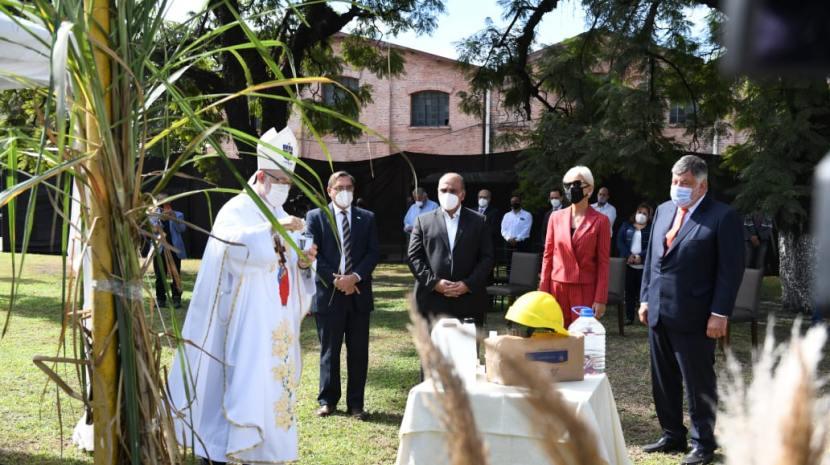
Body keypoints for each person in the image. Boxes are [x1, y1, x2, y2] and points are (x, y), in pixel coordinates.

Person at [167, 127, 318, 465]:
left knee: (271, 390)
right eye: (279, 180)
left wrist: (304, 264)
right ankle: (226, 450)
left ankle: (265, 451)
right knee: (242, 387)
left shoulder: (280, 214)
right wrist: (272, 231)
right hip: (242, 325)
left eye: (288, 182)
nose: (284, 188)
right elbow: (232, 251)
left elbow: (289, 267)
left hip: (276, 322)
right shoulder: (236, 210)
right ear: (261, 176)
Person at [639, 155, 744, 465]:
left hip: (696, 315)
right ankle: (672, 434)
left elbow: (730, 270)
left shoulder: (722, 217)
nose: (677, 188)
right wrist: (645, 298)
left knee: (698, 383)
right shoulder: (663, 210)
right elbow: (652, 260)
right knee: (663, 379)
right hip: (659, 311)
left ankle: (703, 444)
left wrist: (720, 313)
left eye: (684, 184)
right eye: (674, 182)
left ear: (703, 185)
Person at [306, 171, 379, 420]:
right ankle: (328, 400)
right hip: (329, 294)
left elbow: (373, 253)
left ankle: (356, 404)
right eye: (339, 187)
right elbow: (313, 254)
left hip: (358, 293)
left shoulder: (367, 218)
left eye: (349, 187)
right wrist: (337, 280)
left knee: (358, 352)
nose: (344, 191)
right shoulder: (316, 217)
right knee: (329, 350)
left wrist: (354, 278)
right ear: (330, 191)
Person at [407, 173, 494, 325]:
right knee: (433, 349)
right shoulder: (423, 221)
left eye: (452, 191)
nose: (447, 194)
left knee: (467, 349)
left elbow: (487, 257)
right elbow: (413, 257)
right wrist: (434, 283)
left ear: (463, 194)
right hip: (432, 301)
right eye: (443, 190)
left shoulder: (479, 221)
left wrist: (468, 285)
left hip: (468, 302)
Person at [539, 166, 610, 327]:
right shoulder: (555, 217)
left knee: (582, 339)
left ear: (590, 189)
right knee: (557, 338)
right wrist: (543, 291)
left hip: (585, 288)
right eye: (568, 184)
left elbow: (603, 262)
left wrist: (600, 298)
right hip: (557, 287)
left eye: (577, 184)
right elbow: (547, 256)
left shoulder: (601, 221)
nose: (572, 188)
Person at [616, 203, 653, 324]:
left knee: (643, 292)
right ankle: (629, 317)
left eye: (644, 213)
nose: (641, 215)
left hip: (644, 265)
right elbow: (620, 241)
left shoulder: (651, 228)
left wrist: (640, 256)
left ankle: (645, 317)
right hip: (628, 264)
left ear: (649, 216)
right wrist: (628, 255)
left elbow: (652, 245)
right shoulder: (626, 226)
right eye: (639, 212)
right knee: (629, 291)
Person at [150, 193, 187, 308]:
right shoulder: (152, 215)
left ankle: (176, 299)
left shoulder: (179, 214)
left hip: (174, 249)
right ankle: (161, 299)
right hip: (159, 249)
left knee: (175, 274)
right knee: (160, 275)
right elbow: (152, 231)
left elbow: (182, 229)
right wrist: (159, 221)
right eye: (161, 201)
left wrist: (173, 218)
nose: (164, 204)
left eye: (166, 201)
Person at [477, 189, 503, 279]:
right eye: (480, 197)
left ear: (489, 199)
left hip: (487, 246)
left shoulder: (494, 212)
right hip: (473, 247)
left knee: (487, 272)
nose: (482, 199)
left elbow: (494, 229)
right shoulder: (471, 211)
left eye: (485, 197)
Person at [536, 188, 566, 252]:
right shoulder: (547, 214)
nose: (554, 200)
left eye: (556, 198)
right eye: (552, 198)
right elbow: (544, 232)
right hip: (550, 248)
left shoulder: (567, 212)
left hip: (563, 248)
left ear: (561, 198)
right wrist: (545, 244)